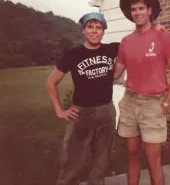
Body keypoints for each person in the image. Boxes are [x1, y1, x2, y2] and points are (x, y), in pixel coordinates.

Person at [114, 0, 170, 185]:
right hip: (130, 101)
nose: (137, 13)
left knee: (154, 159)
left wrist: (167, 103)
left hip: (154, 103)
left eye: (141, 8)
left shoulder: (163, 36)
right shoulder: (125, 42)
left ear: (149, 10)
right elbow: (116, 72)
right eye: (133, 10)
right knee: (133, 154)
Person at [46, 12, 118, 185]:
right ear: (84, 30)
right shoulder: (74, 54)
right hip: (81, 112)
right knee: (74, 160)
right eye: (90, 27)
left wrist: (155, 27)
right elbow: (51, 82)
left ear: (104, 31)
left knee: (102, 161)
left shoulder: (112, 49)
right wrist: (59, 110)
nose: (94, 31)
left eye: (98, 27)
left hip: (106, 111)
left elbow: (137, 41)